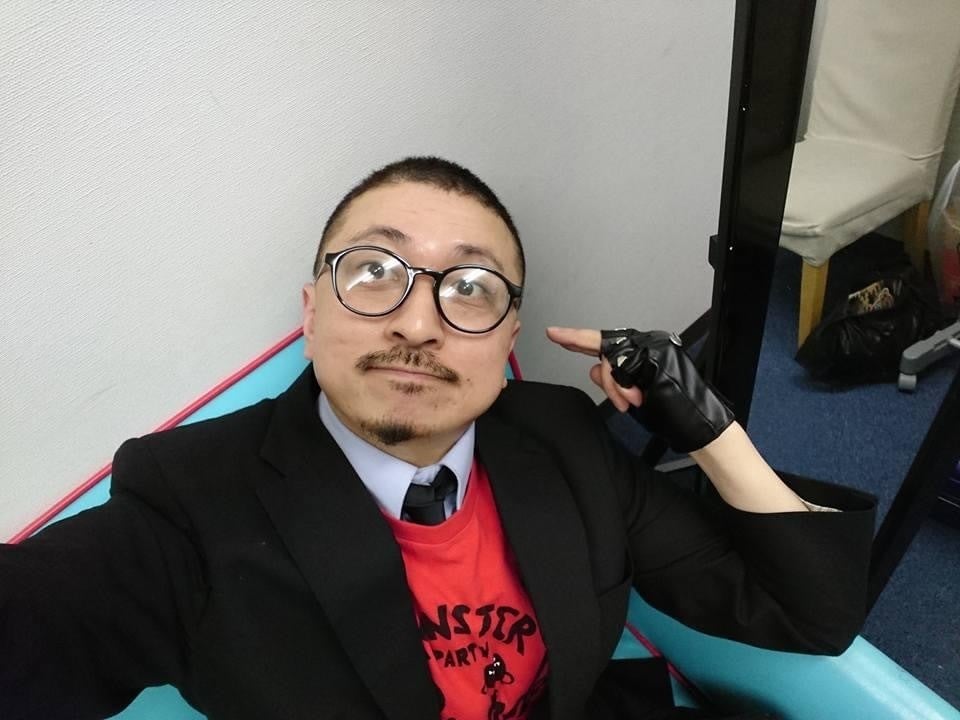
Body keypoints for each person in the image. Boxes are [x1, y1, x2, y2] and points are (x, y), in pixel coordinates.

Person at [1, 157, 876, 720]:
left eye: (470, 288)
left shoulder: (560, 439)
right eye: (373, 272)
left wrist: (705, 424)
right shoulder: (187, 503)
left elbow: (811, 613)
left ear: (508, 341)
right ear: (311, 315)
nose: (418, 322)